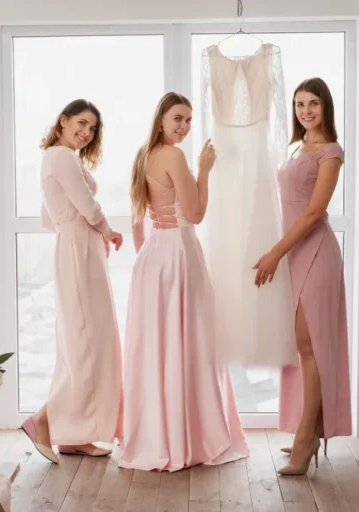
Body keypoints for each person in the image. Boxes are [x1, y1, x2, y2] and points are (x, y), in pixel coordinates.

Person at [116, 92, 249, 472]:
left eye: (188, 120)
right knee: (189, 341)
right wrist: (205, 169)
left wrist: (149, 258)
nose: (184, 127)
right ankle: (188, 438)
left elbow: (138, 219)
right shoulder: (174, 156)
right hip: (178, 253)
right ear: (161, 118)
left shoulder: (145, 155)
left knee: (158, 346)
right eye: (177, 118)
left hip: (155, 256)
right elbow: (196, 213)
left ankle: (157, 434)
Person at [253, 78, 352, 475]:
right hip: (293, 252)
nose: (306, 111)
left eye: (313, 103)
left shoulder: (331, 152)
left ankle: (305, 439)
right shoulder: (296, 149)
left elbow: (313, 213)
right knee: (300, 347)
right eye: (299, 104)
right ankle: (304, 429)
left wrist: (275, 253)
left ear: (326, 107)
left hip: (315, 253)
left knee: (310, 348)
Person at [21, 99, 124, 463]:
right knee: (86, 344)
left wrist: (77, 231)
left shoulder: (57, 158)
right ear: (62, 121)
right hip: (79, 250)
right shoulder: (62, 157)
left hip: (76, 247)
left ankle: (75, 433)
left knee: (82, 343)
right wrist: (106, 231)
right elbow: (84, 203)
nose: (86, 132)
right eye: (81, 123)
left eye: (93, 128)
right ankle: (43, 420)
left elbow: (48, 217)